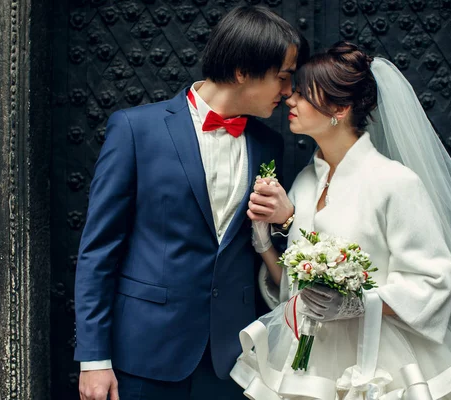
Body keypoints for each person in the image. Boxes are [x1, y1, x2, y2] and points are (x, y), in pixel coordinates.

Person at [231, 42, 451, 399]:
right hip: (310, 359)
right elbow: (295, 290)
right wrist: (267, 241)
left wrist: (356, 303)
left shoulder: (394, 182)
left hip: (382, 358)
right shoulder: (304, 181)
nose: (290, 100)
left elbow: (433, 281)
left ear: (340, 108)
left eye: (303, 94)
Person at [74, 6, 306, 400]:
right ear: (242, 71)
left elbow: (261, 247)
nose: (288, 92)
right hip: (145, 355)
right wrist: (94, 360)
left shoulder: (269, 144)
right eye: (283, 78)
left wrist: (285, 222)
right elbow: (98, 252)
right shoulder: (135, 130)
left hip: (232, 359)